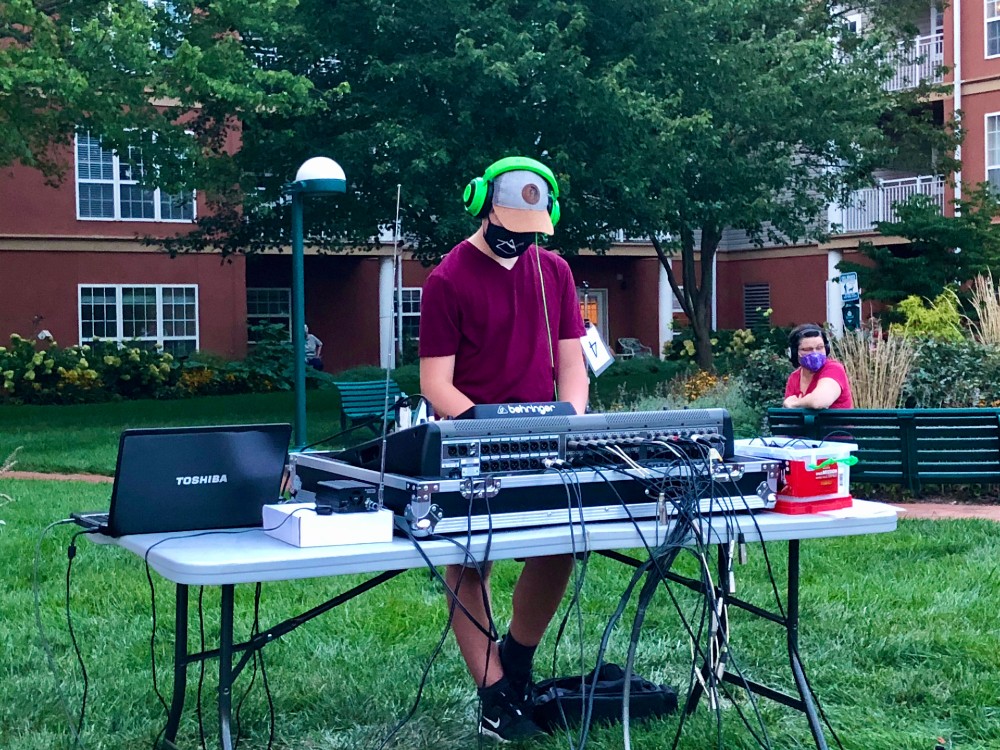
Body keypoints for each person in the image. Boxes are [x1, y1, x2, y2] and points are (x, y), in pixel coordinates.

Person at [418, 156, 589, 741]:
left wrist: (571, 423)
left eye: (530, 229)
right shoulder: (447, 279)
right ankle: (493, 698)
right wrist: (486, 428)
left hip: (547, 440)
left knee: (561, 542)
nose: (519, 239)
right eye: (510, 224)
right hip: (471, 438)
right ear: (481, 203)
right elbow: (435, 382)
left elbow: (574, 367)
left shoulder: (556, 273)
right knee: (469, 561)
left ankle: (516, 661)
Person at [783, 324, 853, 409]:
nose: (815, 353)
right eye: (808, 349)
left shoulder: (834, 369)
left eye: (819, 348)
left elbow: (818, 401)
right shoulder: (794, 378)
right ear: (794, 353)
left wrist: (796, 403)